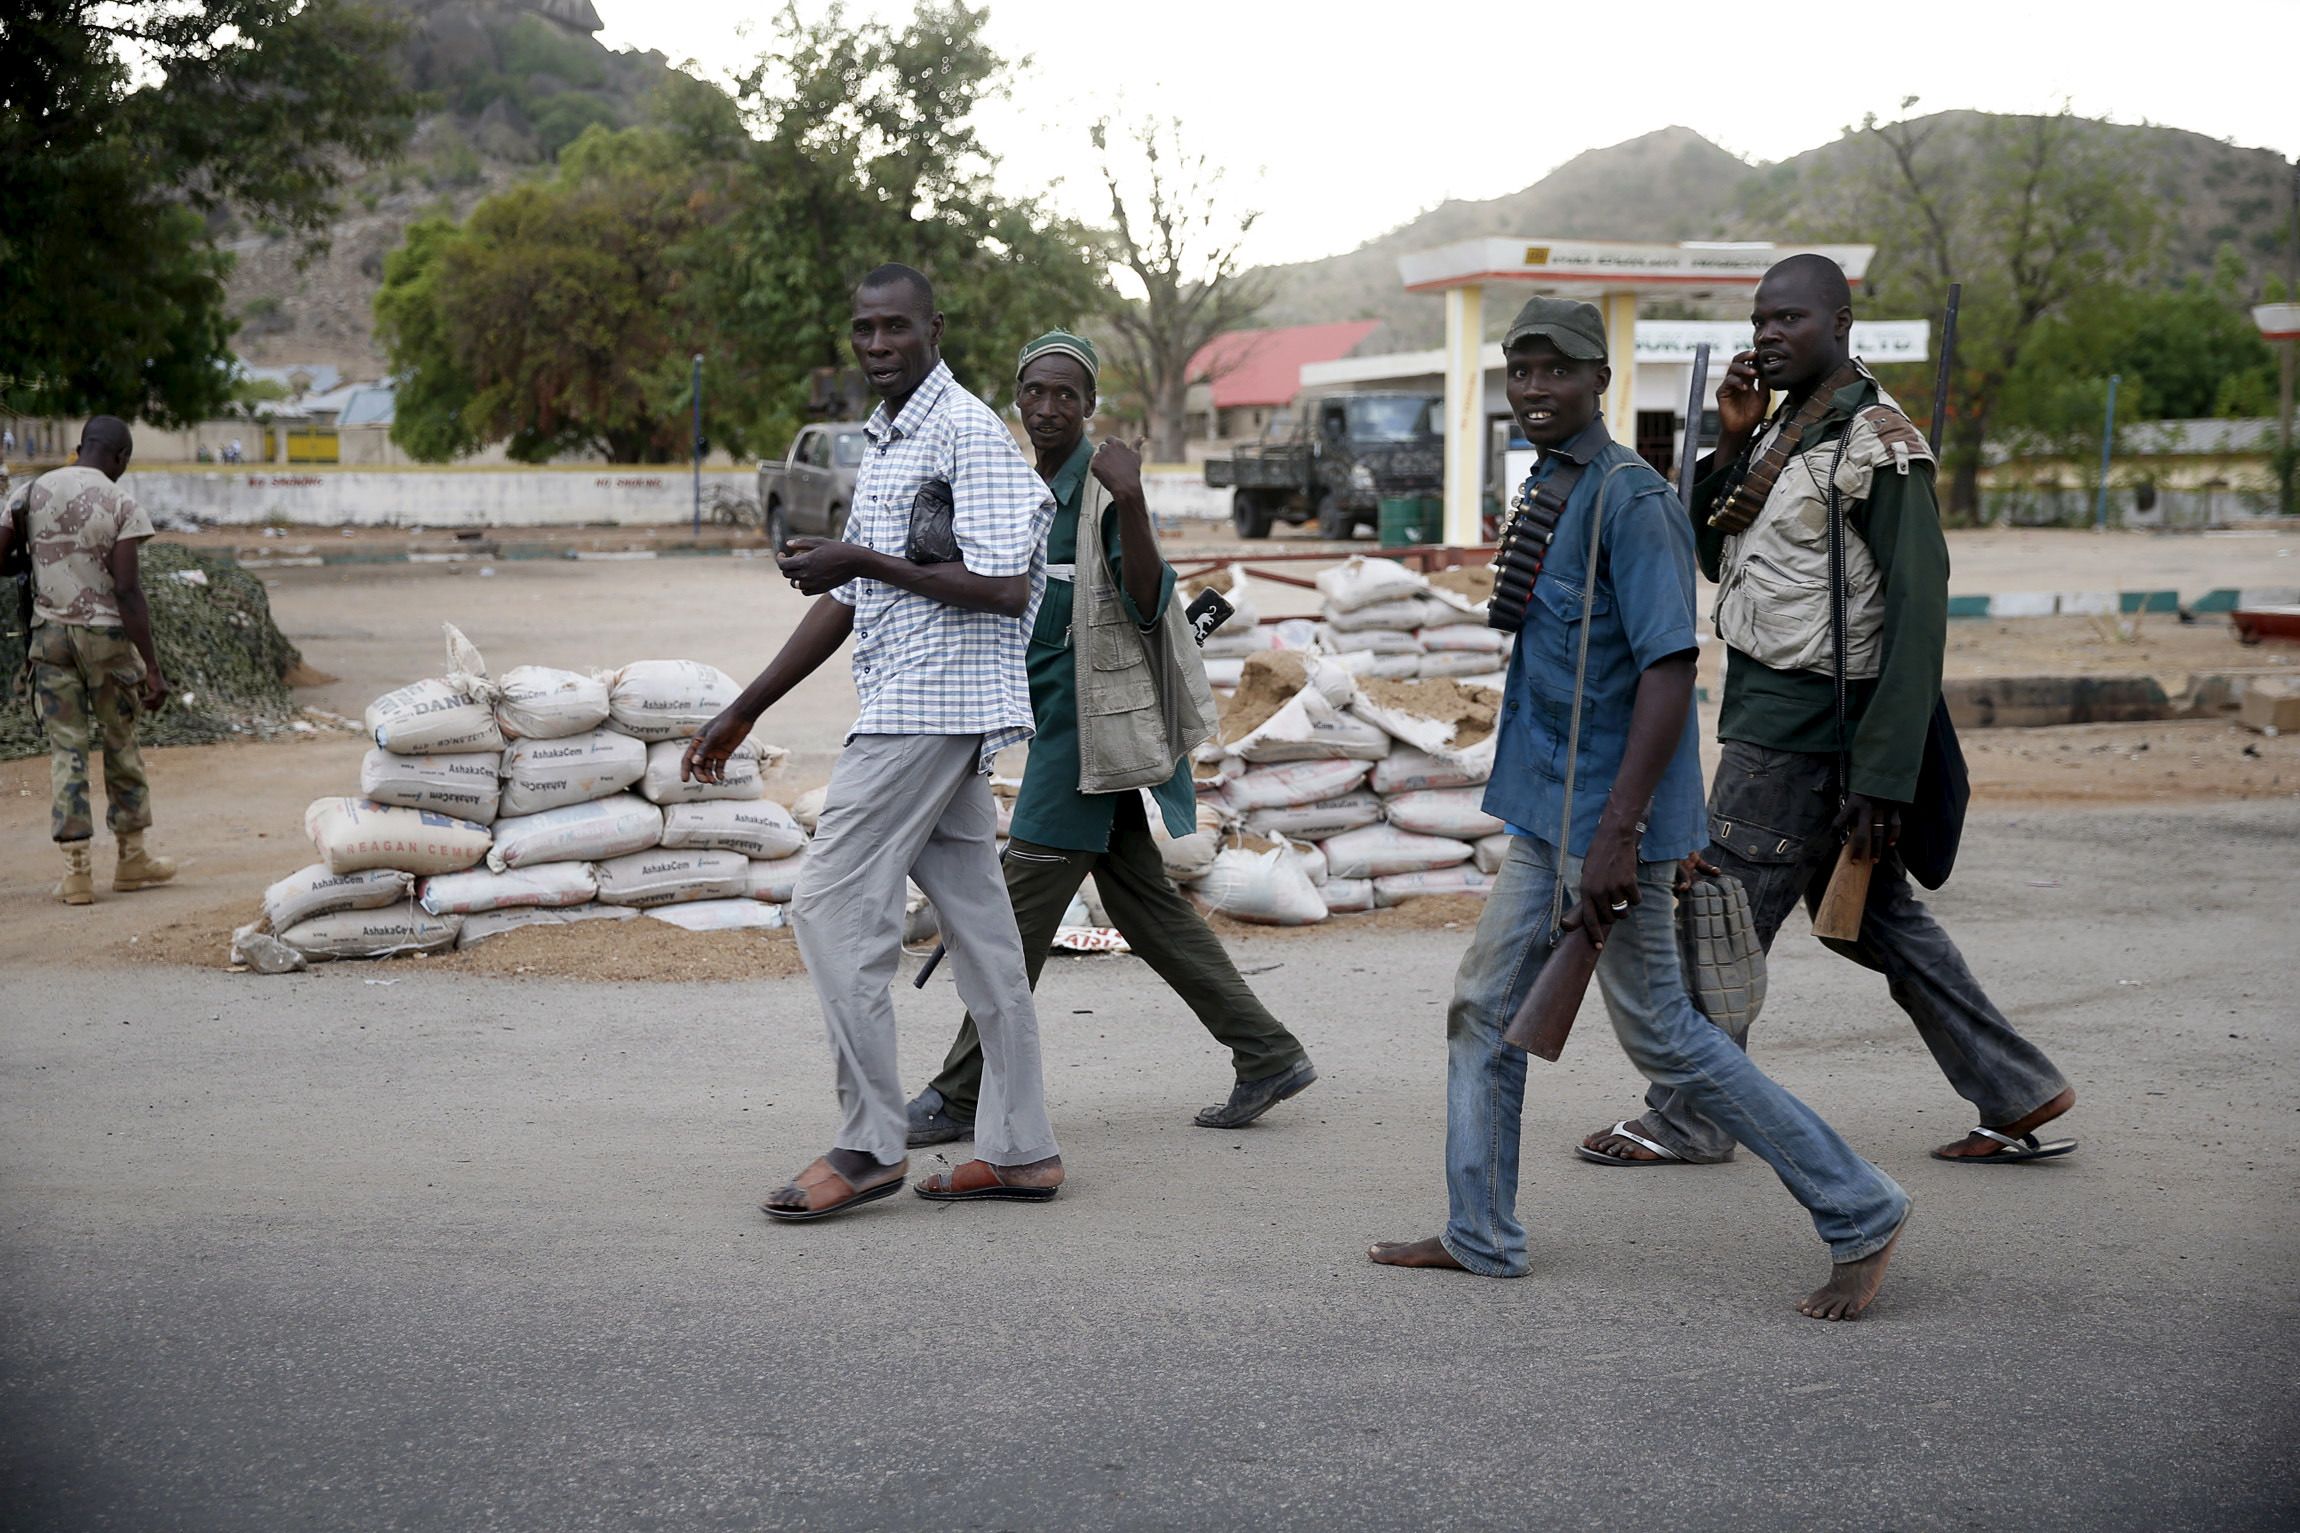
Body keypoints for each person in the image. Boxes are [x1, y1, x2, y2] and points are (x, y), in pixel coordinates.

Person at [1369, 298, 1911, 1320]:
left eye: (1554, 371)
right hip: (1549, 812)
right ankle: (1478, 1232)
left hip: (1605, 825)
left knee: (1664, 1037)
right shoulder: (1553, 486)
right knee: (1481, 1012)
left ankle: (1859, 1206)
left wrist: (1622, 833)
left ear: (1597, 382)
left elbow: (1668, 671)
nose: (1533, 388)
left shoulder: (1630, 500)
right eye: (1519, 371)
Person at [1576, 253, 2078, 1171]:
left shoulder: (1875, 445)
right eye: (1761, 319)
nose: (1768, 333)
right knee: (1874, 922)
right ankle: (2014, 1086)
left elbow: (1919, 619)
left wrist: (1884, 776)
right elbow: (1713, 553)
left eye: (1790, 319)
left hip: (1804, 730)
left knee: (1719, 920)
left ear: (1842, 323)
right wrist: (1728, 441)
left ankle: (1689, 1116)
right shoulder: (1785, 434)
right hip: (1774, 715)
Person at [683, 264, 1064, 1221]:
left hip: (932, 705)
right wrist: (746, 707)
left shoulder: (968, 433)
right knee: (984, 936)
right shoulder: (891, 440)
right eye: (864, 329)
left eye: (895, 327)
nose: (878, 344)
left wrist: (860, 557)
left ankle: (868, 1143)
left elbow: (1004, 586)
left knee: (827, 902)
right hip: (915, 698)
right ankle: (1022, 1150)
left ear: (935, 327)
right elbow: (849, 597)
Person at [904, 332, 1316, 1149]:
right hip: (1057, 726)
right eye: (1035, 392)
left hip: (1086, 739)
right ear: (1017, 399)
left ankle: (958, 1094)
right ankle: (1266, 1051)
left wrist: (1130, 499)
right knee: (1148, 907)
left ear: (1090, 406)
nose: (1048, 406)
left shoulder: (1101, 487)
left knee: (1014, 919)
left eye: (1066, 394)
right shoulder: (1026, 488)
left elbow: (1145, 601)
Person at [0, 416, 176, 905]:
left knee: (67, 750)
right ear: (121, 457)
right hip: (106, 641)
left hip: (49, 640)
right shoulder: (120, 502)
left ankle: (77, 873)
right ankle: (131, 860)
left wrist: (33, 558)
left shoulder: (29, 492)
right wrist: (153, 668)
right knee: (121, 743)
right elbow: (126, 589)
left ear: (79, 448)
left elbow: (1, 558)